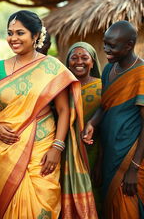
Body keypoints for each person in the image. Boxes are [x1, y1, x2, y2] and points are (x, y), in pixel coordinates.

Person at [0, 10, 98, 219]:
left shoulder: (51, 67)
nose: (13, 38)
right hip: (5, 149)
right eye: (10, 33)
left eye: (20, 33)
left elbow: (64, 111)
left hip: (42, 149)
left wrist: (57, 147)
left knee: (42, 202)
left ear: (35, 36)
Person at [83, 21, 144, 218]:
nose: (106, 49)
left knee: (129, 208)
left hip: (131, 156)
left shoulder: (142, 74)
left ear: (129, 45)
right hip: (110, 152)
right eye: (105, 43)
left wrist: (134, 168)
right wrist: (92, 122)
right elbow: (105, 107)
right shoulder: (109, 70)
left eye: (112, 45)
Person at [66, 42, 102, 215]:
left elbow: (106, 125)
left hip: (95, 152)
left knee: (95, 196)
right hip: (66, 155)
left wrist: (101, 161)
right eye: (74, 58)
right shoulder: (61, 89)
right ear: (67, 62)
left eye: (84, 57)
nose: (79, 62)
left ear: (93, 62)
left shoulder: (101, 88)